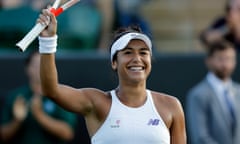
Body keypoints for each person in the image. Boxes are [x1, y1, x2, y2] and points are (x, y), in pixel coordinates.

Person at [37, 7, 186, 144]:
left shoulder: (171, 106)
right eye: (128, 52)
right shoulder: (97, 102)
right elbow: (51, 90)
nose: (137, 58)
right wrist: (48, 40)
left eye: (143, 52)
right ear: (114, 62)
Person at [0, 50, 77, 144]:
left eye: (44, 64)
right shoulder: (16, 96)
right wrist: (17, 120)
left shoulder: (61, 95)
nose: (40, 69)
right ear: (27, 68)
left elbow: (67, 133)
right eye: (36, 65)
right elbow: (3, 135)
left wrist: (40, 115)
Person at [186, 39, 240, 144]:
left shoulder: (238, 91)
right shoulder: (197, 95)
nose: (225, 64)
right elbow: (200, 137)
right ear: (208, 61)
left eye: (229, 59)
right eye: (220, 59)